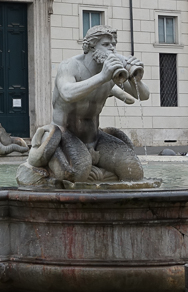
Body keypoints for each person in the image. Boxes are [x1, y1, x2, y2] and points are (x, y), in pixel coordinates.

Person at [48, 25, 149, 181]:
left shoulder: (112, 71)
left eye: (114, 44)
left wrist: (135, 79)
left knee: (133, 170)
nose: (112, 49)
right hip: (65, 135)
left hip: (95, 138)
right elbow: (67, 93)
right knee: (79, 172)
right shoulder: (70, 66)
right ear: (90, 46)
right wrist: (103, 76)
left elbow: (143, 96)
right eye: (106, 44)